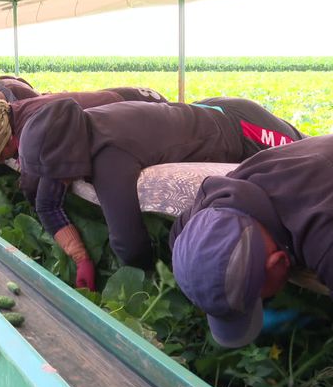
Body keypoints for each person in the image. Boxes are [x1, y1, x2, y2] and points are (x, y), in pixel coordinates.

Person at [16, 97, 306, 290]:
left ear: (68, 154)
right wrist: (81, 258)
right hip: (204, 112)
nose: (55, 179)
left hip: (239, 125)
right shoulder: (72, 130)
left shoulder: (110, 157)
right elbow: (46, 201)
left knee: (303, 160)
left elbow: (129, 243)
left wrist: (150, 282)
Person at [169, 135, 333, 348]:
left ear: (279, 263)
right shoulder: (216, 200)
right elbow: (176, 237)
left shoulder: (323, 234)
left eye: (257, 301)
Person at [0, 87, 169, 218]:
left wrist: (37, 213)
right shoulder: (9, 112)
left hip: (138, 101)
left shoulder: (31, 131)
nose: (1, 160)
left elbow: (33, 185)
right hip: (119, 98)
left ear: (5, 141)